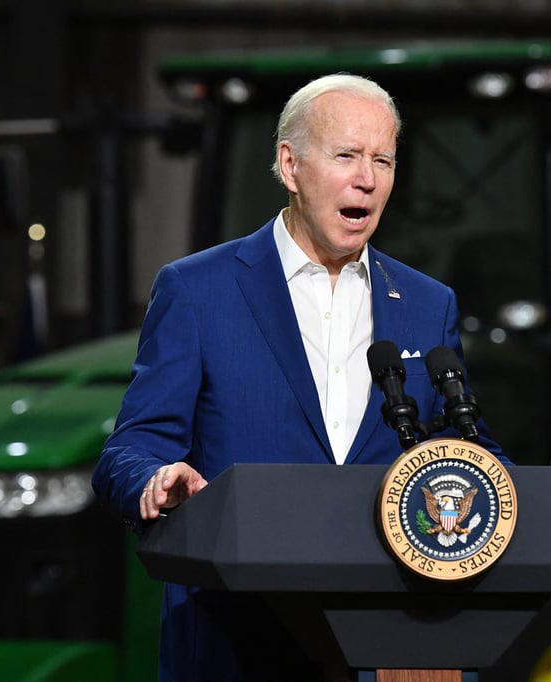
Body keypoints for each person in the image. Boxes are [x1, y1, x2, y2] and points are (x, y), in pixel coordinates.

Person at [91, 73, 505, 681]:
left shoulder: (427, 303)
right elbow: (128, 450)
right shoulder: (198, 290)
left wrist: (541, 488)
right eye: (347, 156)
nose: (367, 179)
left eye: (383, 160)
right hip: (238, 639)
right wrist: (155, 480)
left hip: (392, 644)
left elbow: (462, 452)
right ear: (291, 165)